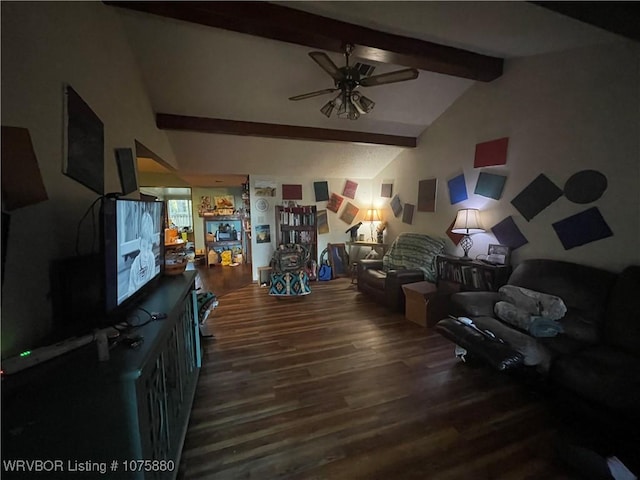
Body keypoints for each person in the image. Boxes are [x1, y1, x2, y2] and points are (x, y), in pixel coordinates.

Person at [128, 211, 156, 295]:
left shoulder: (151, 257)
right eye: (144, 246)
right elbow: (131, 291)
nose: (146, 254)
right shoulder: (134, 267)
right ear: (139, 244)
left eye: (149, 247)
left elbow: (153, 279)